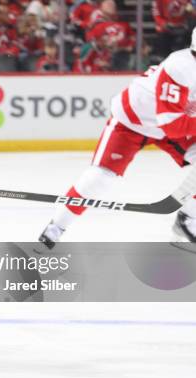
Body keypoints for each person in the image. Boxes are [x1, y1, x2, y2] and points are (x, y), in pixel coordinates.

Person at [39, 27, 196, 248]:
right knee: (99, 179)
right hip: (132, 121)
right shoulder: (181, 68)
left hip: (170, 124)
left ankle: (188, 218)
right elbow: (172, 126)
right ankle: (55, 228)